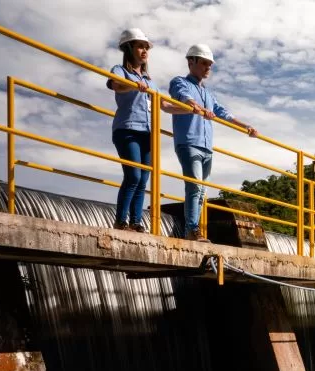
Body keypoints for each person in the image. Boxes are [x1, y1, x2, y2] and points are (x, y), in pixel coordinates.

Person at [169, 44, 259, 242]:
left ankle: (196, 230)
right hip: (189, 142)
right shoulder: (180, 82)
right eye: (204, 63)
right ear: (190, 61)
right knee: (194, 187)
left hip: (206, 147)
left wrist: (246, 127)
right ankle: (192, 231)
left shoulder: (209, 94)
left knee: (202, 191)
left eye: (210, 65)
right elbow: (184, 98)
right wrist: (197, 107)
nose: (208, 68)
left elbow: (222, 112)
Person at [107, 28, 184, 232]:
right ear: (129, 48)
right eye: (140, 46)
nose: (144, 51)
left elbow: (164, 106)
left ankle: (136, 222)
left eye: (146, 47)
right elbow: (116, 85)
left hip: (149, 133)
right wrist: (133, 85)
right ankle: (120, 221)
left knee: (143, 179)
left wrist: (190, 110)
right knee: (133, 175)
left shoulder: (150, 82)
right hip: (128, 129)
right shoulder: (120, 70)